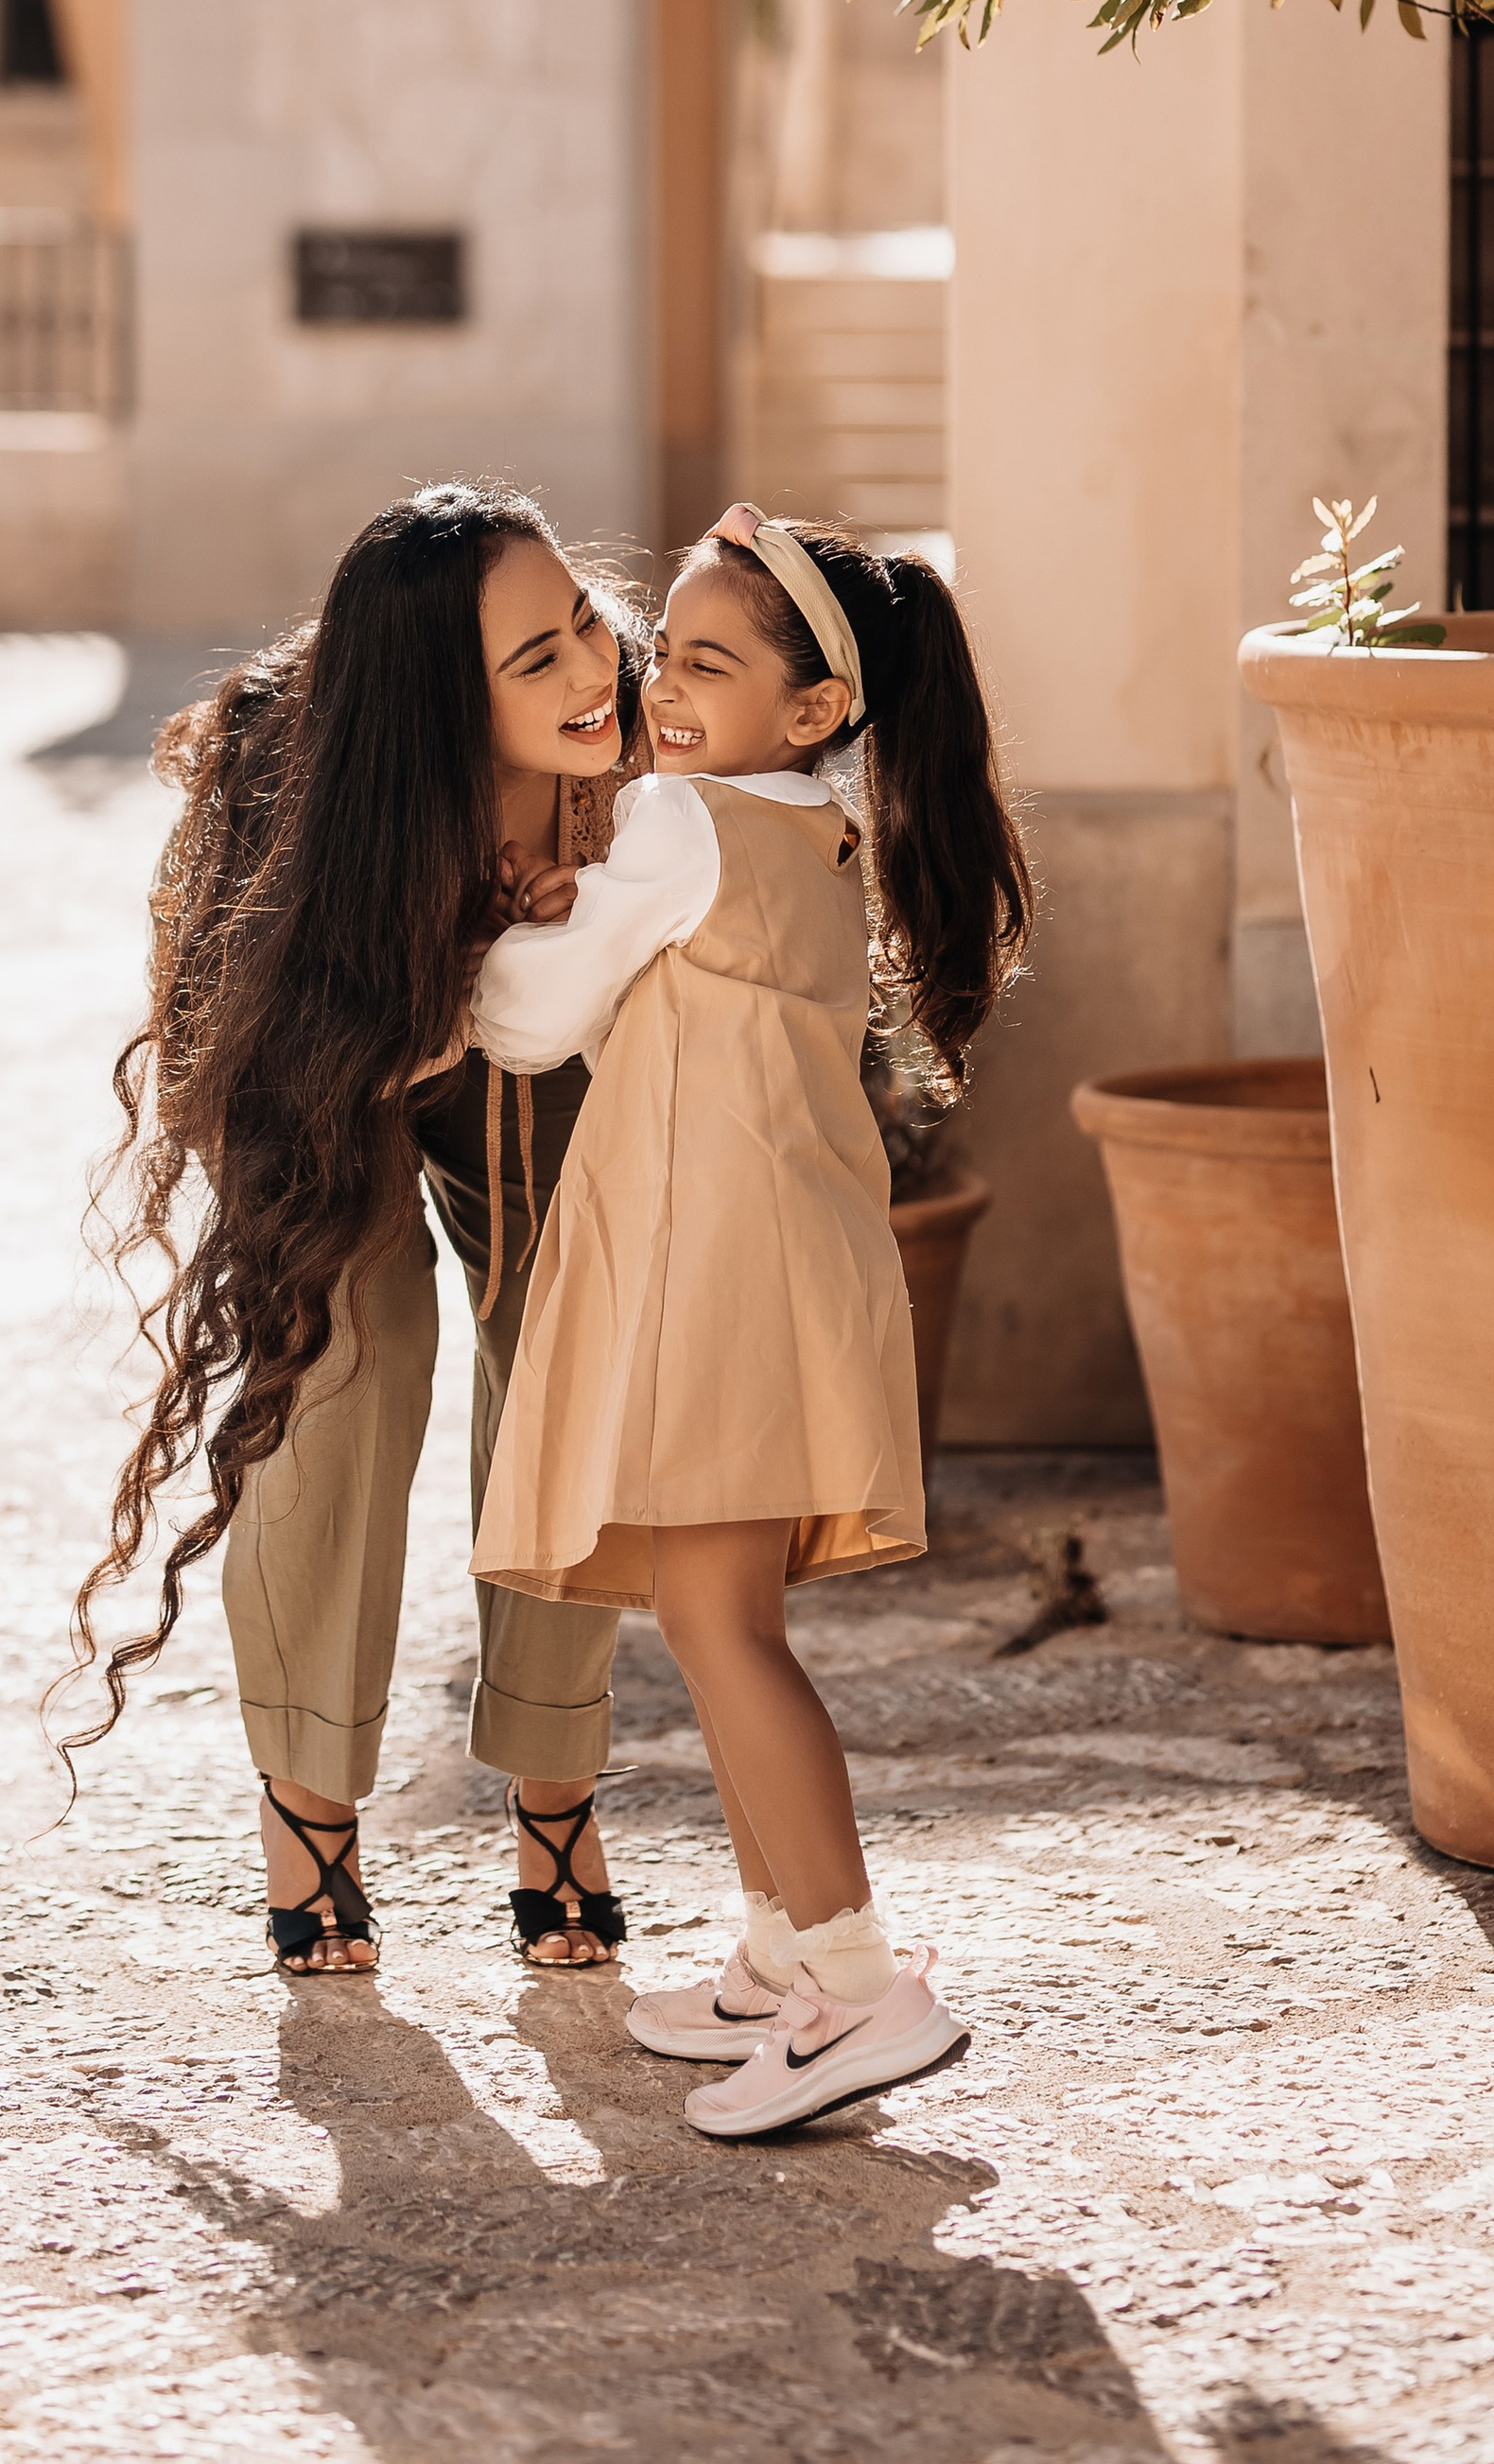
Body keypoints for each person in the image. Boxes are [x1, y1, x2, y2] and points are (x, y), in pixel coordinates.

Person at [467, 505, 1033, 2136]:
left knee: (724, 1632)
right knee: (725, 1627)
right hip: (781, 1262)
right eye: (668, 653)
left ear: (811, 710)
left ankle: (860, 1987)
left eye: (709, 662)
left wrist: (492, 911)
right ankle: (782, 1954)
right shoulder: (805, 830)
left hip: (717, 1270)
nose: (663, 686)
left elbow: (528, 1020)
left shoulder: (680, 824)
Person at [62, 482, 646, 1974]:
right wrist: (433, 970)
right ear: (438, 703)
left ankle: (558, 1793)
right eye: (537, 661)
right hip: (339, 1067)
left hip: (550, 1068)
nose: (591, 668)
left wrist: (578, 910)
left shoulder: (634, 744)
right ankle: (311, 1815)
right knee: (343, 1370)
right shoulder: (300, 785)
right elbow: (232, 1043)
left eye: (582, 617)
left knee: (563, 1367)